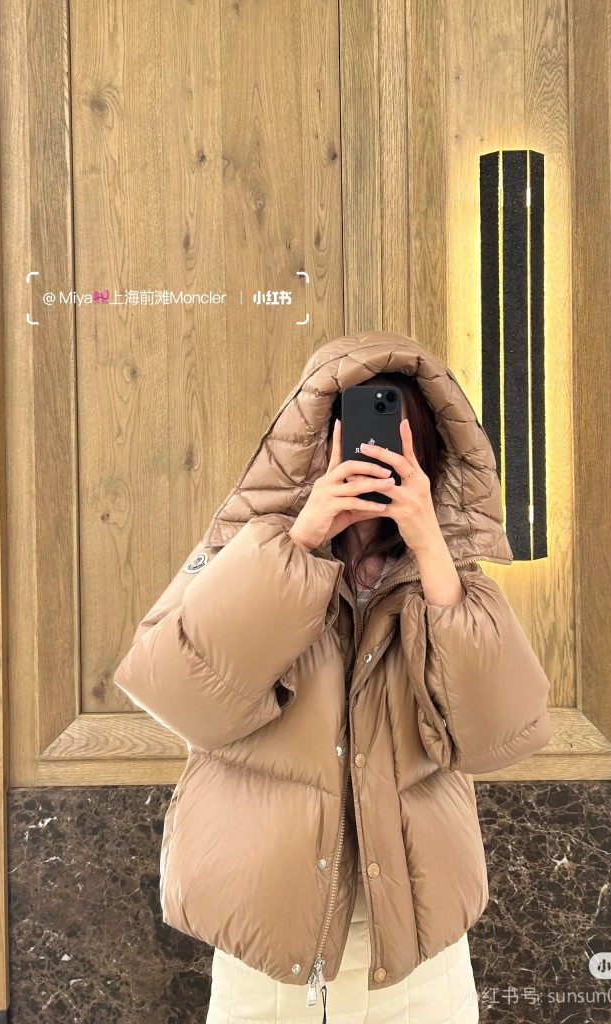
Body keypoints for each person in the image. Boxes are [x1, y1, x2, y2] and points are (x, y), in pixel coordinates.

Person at [113, 330, 553, 1024]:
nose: (376, 457)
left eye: (402, 442)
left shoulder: (449, 580)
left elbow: (500, 734)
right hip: (268, 939)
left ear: (431, 457)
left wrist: (433, 552)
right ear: (316, 443)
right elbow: (179, 694)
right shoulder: (245, 551)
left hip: (415, 943)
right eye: (356, 435)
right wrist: (299, 543)